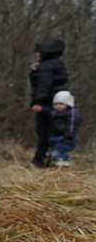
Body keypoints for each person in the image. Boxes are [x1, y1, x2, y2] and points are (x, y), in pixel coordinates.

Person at [29, 38, 68, 168]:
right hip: (56, 102)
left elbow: (43, 86)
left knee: (44, 132)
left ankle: (40, 159)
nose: (36, 54)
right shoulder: (57, 64)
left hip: (47, 103)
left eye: (38, 52)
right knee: (55, 131)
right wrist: (35, 71)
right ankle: (54, 157)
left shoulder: (47, 67)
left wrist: (38, 102)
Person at [41, 90, 82, 167]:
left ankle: (62, 163)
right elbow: (49, 111)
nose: (58, 106)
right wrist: (42, 109)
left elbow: (72, 125)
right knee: (53, 150)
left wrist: (69, 136)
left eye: (61, 104)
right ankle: (56, 160)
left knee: (60, 151)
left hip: (65, 137)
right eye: (56, 104)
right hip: (54, 136)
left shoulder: (72, 113)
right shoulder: (55, 112)